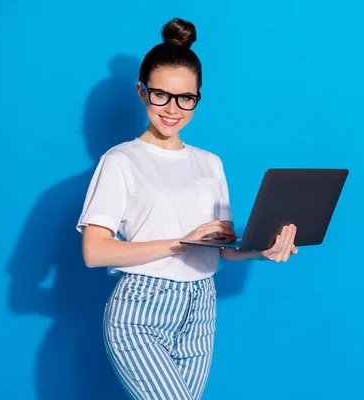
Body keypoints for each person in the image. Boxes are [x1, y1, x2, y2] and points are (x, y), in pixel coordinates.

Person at [76, 17, 298, 400]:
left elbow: (222, 248)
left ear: (197, 98)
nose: (172, 109)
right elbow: (95, 252)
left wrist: (263, 250)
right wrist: (180, 243)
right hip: (141, 311)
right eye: (161, 95)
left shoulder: (210, 163)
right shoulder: (121, 161)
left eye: (186, 98)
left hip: (201, 309)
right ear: (142, 92)